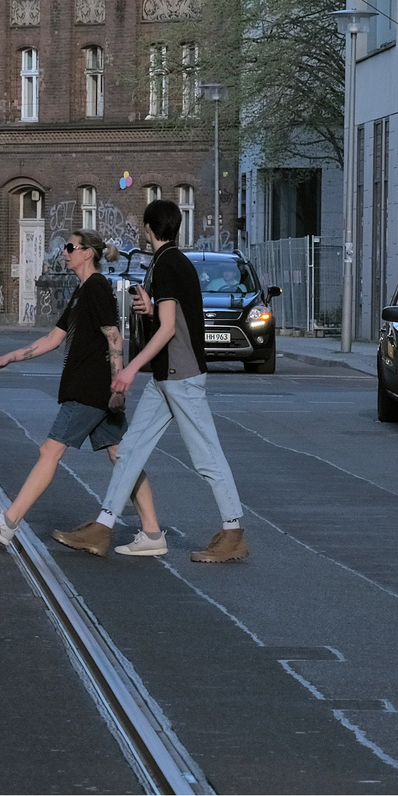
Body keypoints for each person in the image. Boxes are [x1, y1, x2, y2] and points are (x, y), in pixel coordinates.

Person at [54, 198, 250, 562]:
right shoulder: (172, 262)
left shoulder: (167, 265)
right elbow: (170, 316)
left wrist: (129, 369)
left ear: (148, 229)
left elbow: (170, 328)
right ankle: (105, 526)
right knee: (129, 450)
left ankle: (234, 531)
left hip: (181, 376)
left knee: (206, 456)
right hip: (167, 377)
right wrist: (149, 308)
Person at [0, 230, 152, 548]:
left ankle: (8, 523)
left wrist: (119, 385)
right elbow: (53, 339)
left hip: (88, 390)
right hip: (98, 390)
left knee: (49, 451)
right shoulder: (83, 291)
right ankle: (152, 532)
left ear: (87, 253)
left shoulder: (96, 288)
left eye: (70, 247)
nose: (64, 252)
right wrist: (9, 357)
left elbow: (114, 336)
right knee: (122, 456)